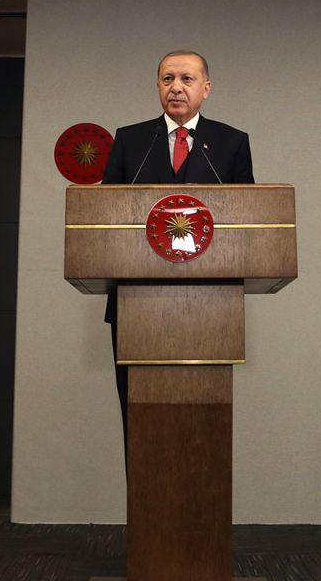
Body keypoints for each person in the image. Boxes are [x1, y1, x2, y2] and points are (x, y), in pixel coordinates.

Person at [100, 49, 255, 447]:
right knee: (139, 421)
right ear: (157, 87)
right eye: (167, 79)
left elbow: (247, 220)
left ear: (206, 88)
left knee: (204, 424)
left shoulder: (232, 143)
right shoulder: (131, 140)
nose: (176, 88)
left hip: (212, 299)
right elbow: (104, 217)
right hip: (137, 301)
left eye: (187, 79)